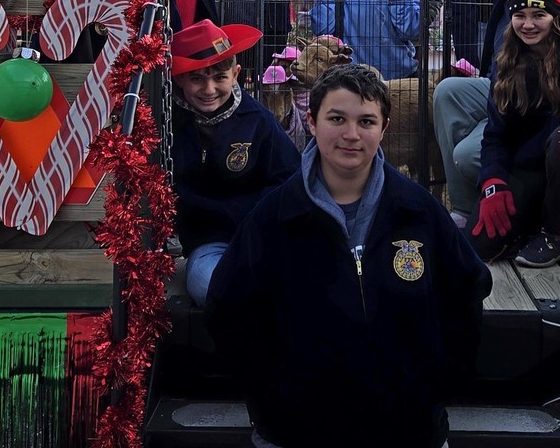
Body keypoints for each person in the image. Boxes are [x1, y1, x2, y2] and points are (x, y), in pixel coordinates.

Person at [205, 64, 493, 448]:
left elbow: (468, 289)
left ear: (384, 128)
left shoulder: (418, 212)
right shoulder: (273, 218)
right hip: (298, 433)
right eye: (336, 118)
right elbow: (228, 308)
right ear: (311, 121)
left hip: (408, 431)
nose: (351, 135)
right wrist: (272, 399)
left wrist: (437, 385)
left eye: (366, 121)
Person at [433, 0, 560, 226]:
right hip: (498, 82)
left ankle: (520, 194)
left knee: (467, 155)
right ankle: (464, 207)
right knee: (448, 91)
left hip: (535, 98)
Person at [169, 19, 301, 306]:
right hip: (209, 245)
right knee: (209, 286)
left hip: (263, 237)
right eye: (196, 78)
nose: (209, 89)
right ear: (179, 78)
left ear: (236, 74)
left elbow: (290, 179)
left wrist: (258, 219)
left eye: (219, 77)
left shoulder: (258, 122)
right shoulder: (168, 123)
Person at [464, 0, 560, 266]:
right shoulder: (507, 63)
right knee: (477, 246)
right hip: (526, 168)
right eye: (519, 15)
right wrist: (494, 182)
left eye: (539, 15)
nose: (527, 25)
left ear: (557, 18)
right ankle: (527, 225)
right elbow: (495, 135)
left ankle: (555, 232)